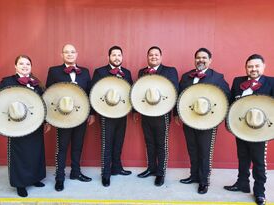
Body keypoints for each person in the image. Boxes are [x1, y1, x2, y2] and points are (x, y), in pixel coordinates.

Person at [175, 48, 230, 194]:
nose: (201, 60)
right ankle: (193, 176)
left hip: (208, 121)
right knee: (192, 149)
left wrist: (219, 116)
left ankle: (204, 181)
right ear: (195, 60)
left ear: (210, 60)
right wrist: (176, 114)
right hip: (189, 119)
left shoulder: (217, 77)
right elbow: (179, 96)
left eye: (204, 58)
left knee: (205, 151)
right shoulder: (186, 76)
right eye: (198, 58)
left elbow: (226, 97)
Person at [224, 54, 273, 205]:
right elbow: (232, 103)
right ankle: (242, 184)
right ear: (246, 68)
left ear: (263, 67)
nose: (253, 69)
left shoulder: (271, 82)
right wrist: (229, 122)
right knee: (243, 158)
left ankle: (259, 192)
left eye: (257, 66)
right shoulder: (238, 81)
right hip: (241, 128)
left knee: (259, 162)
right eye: (250, 66)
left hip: (260, 130)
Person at [46, 44, 95, 192]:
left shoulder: (85, 72)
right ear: (62, 55)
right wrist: (49, 117)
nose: (69, 54)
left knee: (77, 146)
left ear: (77, 54)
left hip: (81, 115)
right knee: (61, 148)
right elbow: (49, 94)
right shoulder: (54, 71)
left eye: (72, 52)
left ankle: (75, 172)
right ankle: (59, 178)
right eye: (66, 52)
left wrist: (91, 113)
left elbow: (89, 93)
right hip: (62, 117)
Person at [0, 55, 48, 197]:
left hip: (34, 123)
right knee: (19, 154)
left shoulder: (36, 83)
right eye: (21, 64)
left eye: (27, 64)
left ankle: (35, 178)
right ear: (15, 66)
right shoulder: (7, 81)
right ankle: (20, 184)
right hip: (16, 125)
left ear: (31, 66)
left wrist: (45, 122)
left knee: (35, 152)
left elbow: (42, 105)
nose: (25, 66)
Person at [135, 46, 179, 186]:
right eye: (151, 55)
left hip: (162, 113)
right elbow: (138, 92)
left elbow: (174, 91)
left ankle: (161, 173)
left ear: (161, 56)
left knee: (161, 144)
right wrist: (136, 110)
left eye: (156, 55)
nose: (153, 57)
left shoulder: (170, 71)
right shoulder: (142, 72)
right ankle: (151, 168)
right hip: (146, 112)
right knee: (149, 142)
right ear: (147, 57)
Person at [91, 46, 133, 187]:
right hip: (105, 114)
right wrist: (92, 113)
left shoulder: (127, 73)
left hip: (122, 113)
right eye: (113, 55)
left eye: (119, 55)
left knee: (118, 142)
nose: (116, 57)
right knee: (107, 144)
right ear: (108, 57)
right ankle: (106, 174)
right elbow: (94, 92)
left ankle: (117, 167)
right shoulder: (100, 71)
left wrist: (134, 112)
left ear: (122, 57)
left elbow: (132, 93)